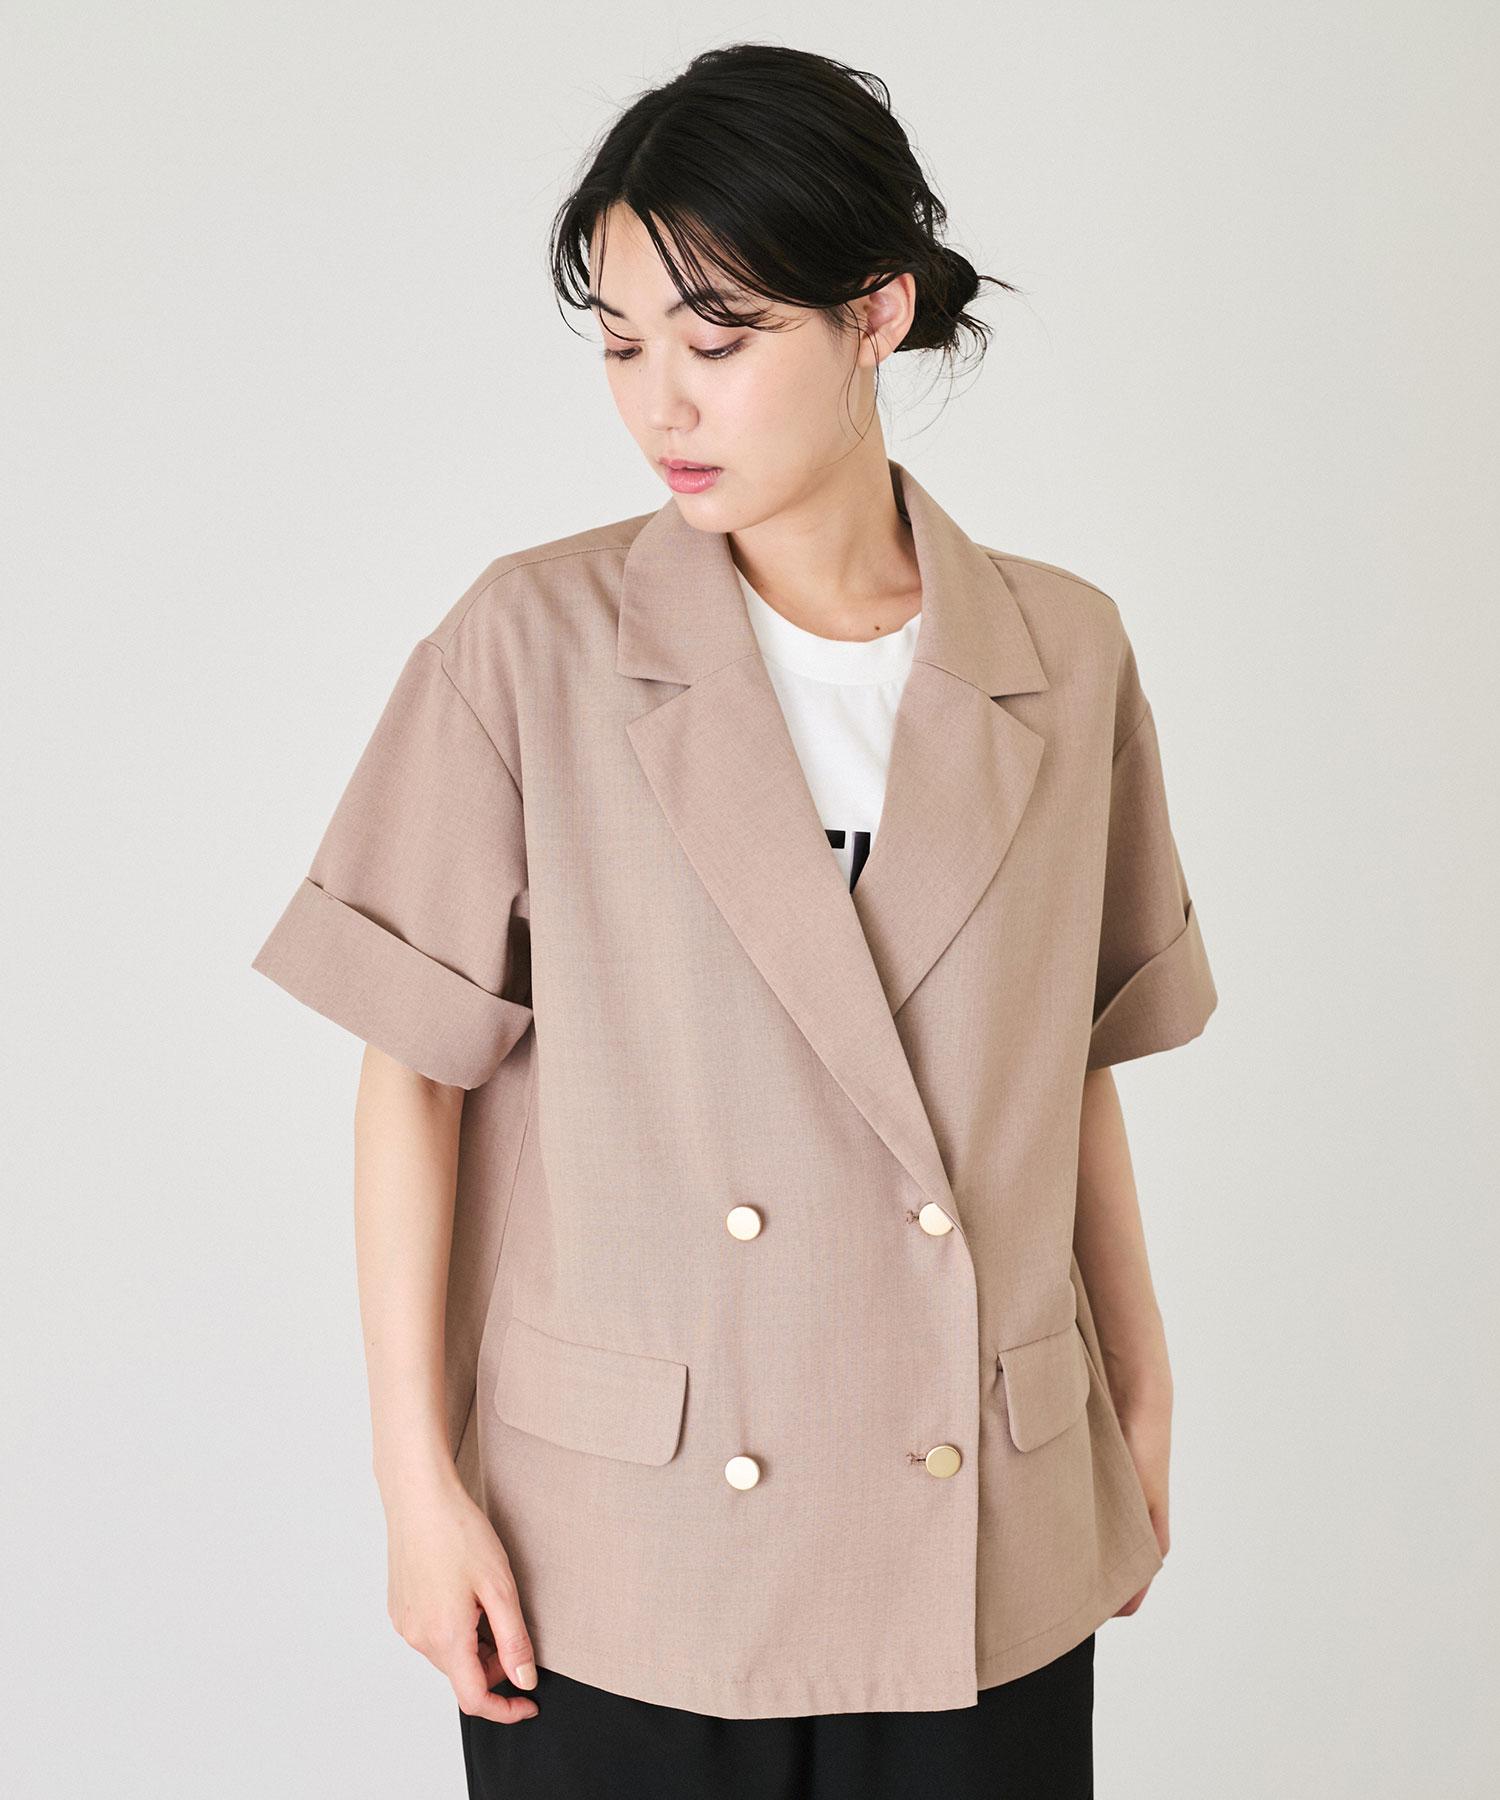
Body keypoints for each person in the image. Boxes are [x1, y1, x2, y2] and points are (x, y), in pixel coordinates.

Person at [250, 41, 1218, 1800]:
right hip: (623, 1540)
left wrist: (1143, 1399)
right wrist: (417, 1486)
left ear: (875, 316)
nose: (662, 408)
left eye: (718, 340)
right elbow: (414, 1075)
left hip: (981, 1519)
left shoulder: (1065, 654)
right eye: (624, 348)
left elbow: (1066, 1068)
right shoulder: (530, 646)